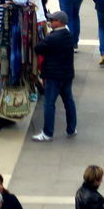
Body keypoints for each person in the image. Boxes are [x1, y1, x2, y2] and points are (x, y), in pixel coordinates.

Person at [32, 10, 76, 142]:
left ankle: (48, 133)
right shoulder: (68, 35)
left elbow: (38, 48)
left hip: (53, 76)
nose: (50, 22)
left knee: (49, 104)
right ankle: (71, 129)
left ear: (60, 22)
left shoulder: (52, 38)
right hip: (67, 75)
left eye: (53, 20)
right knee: (69, 102)